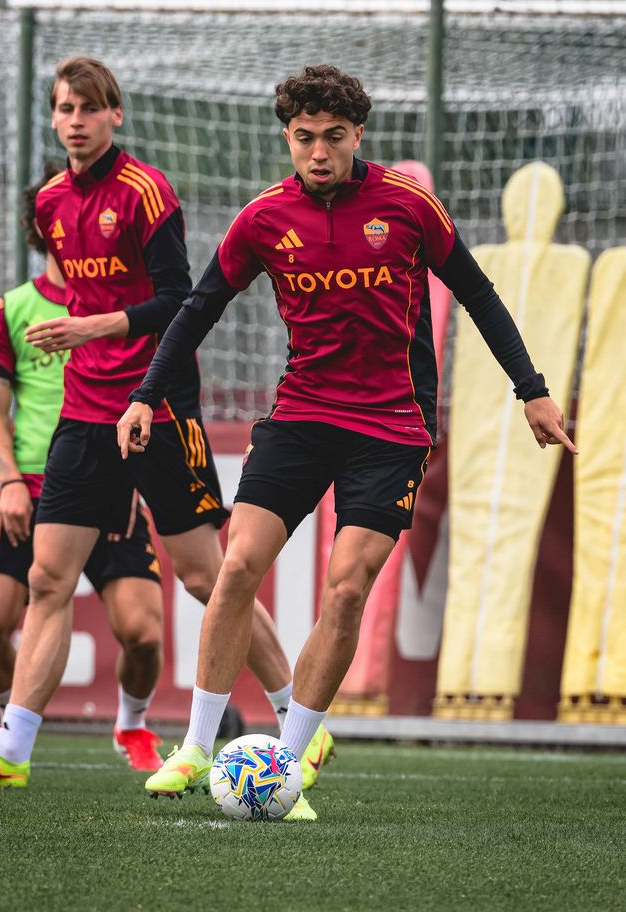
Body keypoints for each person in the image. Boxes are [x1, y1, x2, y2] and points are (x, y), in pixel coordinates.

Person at [113, 64, 577, 815]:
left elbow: (478, 292)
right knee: (235, 570)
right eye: (304, 138)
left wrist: (532, 391)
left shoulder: (406, 205)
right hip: (298, 418)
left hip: (390, 429)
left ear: (357, 134)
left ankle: (287, 766)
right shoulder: (263, 218)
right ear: (288, 138)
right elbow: (198, 308)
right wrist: (144, 395)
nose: (318, 151)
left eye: (333, 137)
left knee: (347, 587)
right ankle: (197, 746)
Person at [0, 58, 331, 817]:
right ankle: (14, 747)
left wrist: (96, 327)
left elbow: (179, 298)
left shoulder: (145, 191)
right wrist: (86, 338)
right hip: (84, 413)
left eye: (89, 109)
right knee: (46, 581)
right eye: (64, 109)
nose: (75, 121)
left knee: (206, 577)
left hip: (159, 408)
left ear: (115, 116)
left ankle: (299, 713)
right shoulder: (53, 202)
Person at [0, 166, 165, 772]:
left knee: (144, 633)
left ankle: (131, 725)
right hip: (31, 485)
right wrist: (6, 484)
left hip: (110, 476)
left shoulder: (126, 310)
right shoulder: (9, 313)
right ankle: (12, 728)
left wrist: (133, 480)